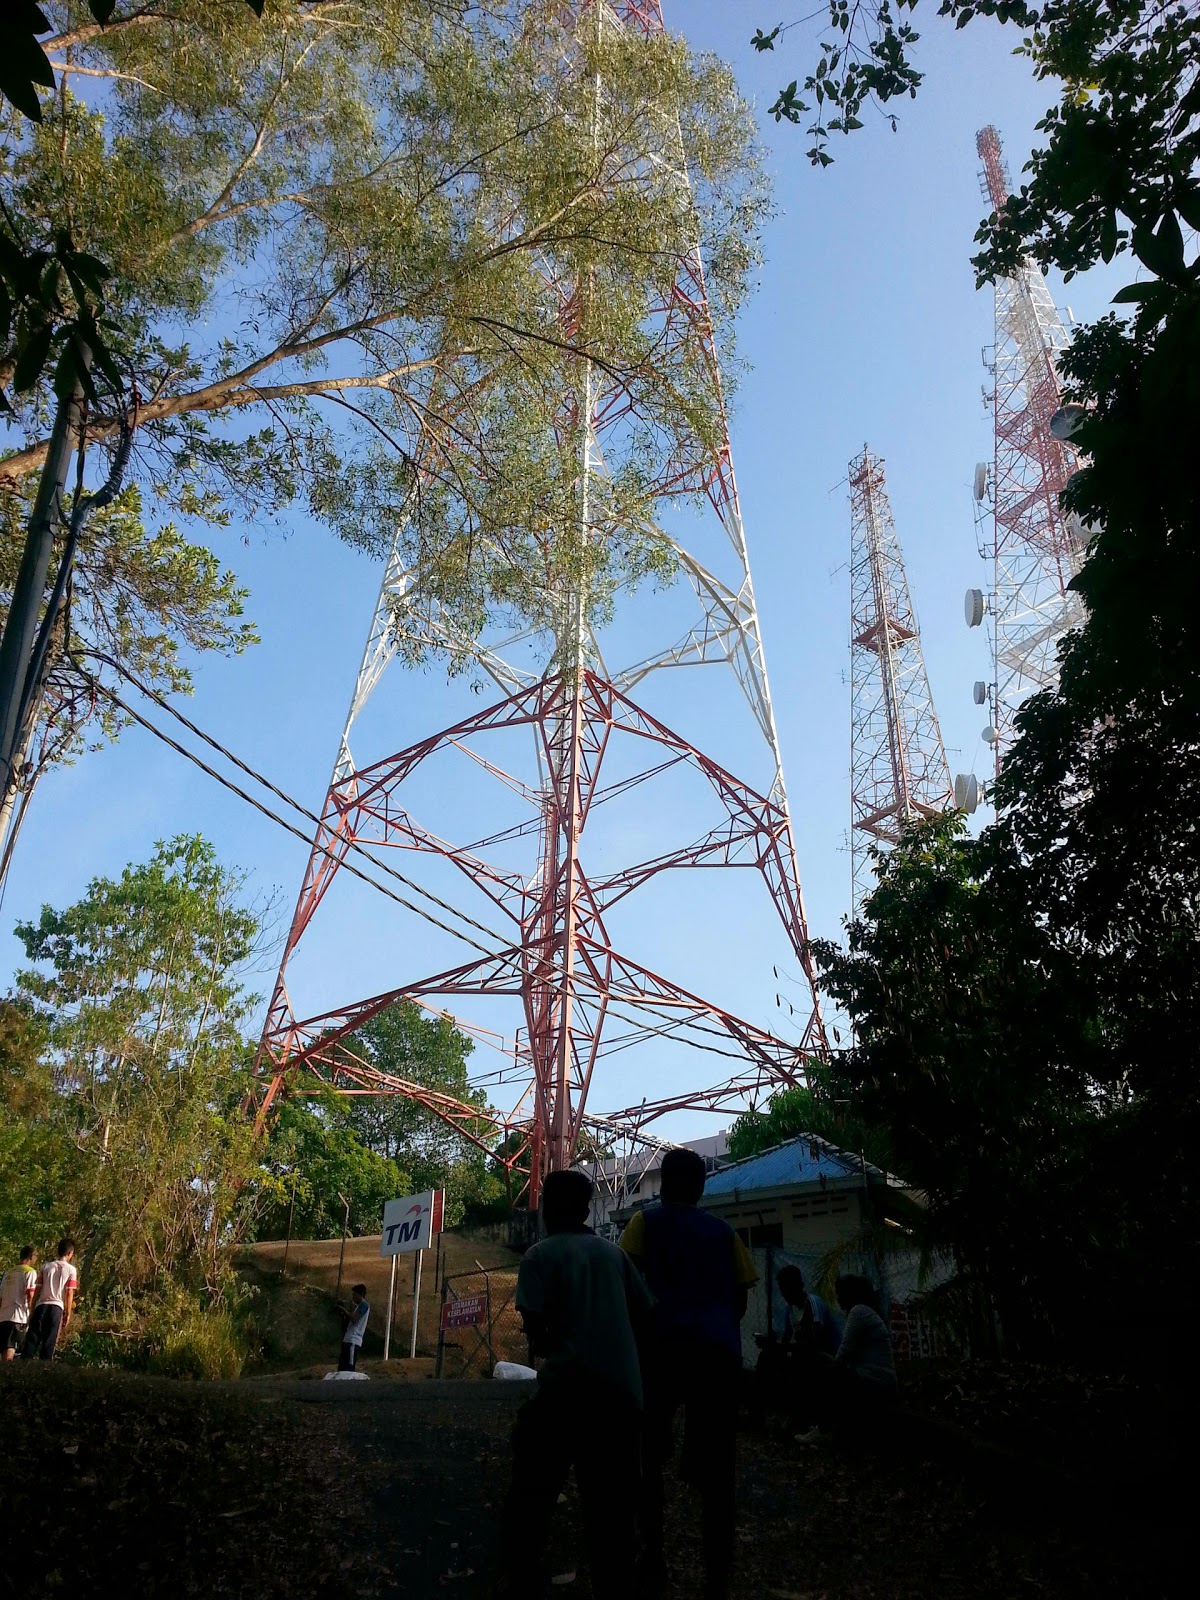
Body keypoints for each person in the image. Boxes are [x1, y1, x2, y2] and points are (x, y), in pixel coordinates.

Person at [499, 1168, 652, 1598]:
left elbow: (537, 1332)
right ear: (587, 1210)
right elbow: (645, 1315)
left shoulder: (538, 1256)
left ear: (546, 1208)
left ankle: (522, 1572)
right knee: (613, 1506)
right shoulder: (614, 1255)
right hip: (621, 1392)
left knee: (533, 1486)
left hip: (567, 1388)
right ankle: (616, 1579)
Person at [620, 1147, 758, 1600]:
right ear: (701, 1187)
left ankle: (652, 1556)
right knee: (719, 1470)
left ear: (662, 1184)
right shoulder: (725, 1233)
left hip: (660, 1351)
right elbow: (741, 1295)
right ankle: (717, 1572)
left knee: (649, 1458)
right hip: (718, 1354)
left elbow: (628, 1282)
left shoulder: (644, 1224)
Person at [794, 1273, 897, 1446]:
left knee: (824, 1369)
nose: (837, 1298)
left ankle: (823, 1429)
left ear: (849, 1294)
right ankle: (822, 1426)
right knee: (824, 1366)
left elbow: (843, 1356)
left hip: (874, 1382)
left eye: (839, 1293)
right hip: (879, 1381)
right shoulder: (866, 1312)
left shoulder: (858, 1312)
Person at [23, 1238, 77, 1361]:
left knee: (32, 1340)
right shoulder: (71, 1270)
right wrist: (68, 1313)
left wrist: (32, 1309)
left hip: (41, 1306)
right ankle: (45, 1368)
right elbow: (69, 1292)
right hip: (56, 1308)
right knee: (49, 1342)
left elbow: (37, 1290)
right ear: (70, 1253)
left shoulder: (46, 1267)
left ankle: (23, 1366)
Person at [0, 1246, 38, 1360]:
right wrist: (31, 1312)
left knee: (4, 1347)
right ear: (31, 1256)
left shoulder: (8, 1273)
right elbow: (30, 1294)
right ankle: (8, 1370)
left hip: (3, 1315)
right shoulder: (30, 1272)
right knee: (11, 1347)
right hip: (18, 1315)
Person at [339, 1283, 369, 1371]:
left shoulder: (364, 1305)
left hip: (353, 1339)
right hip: (348, 1339)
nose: (353, 1297)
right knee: (342, 1367)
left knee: (349, 1368)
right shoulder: (358, 1307)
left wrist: (343, 1310)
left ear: (361, 1294)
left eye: (355, 1295)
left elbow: (354, 1319)